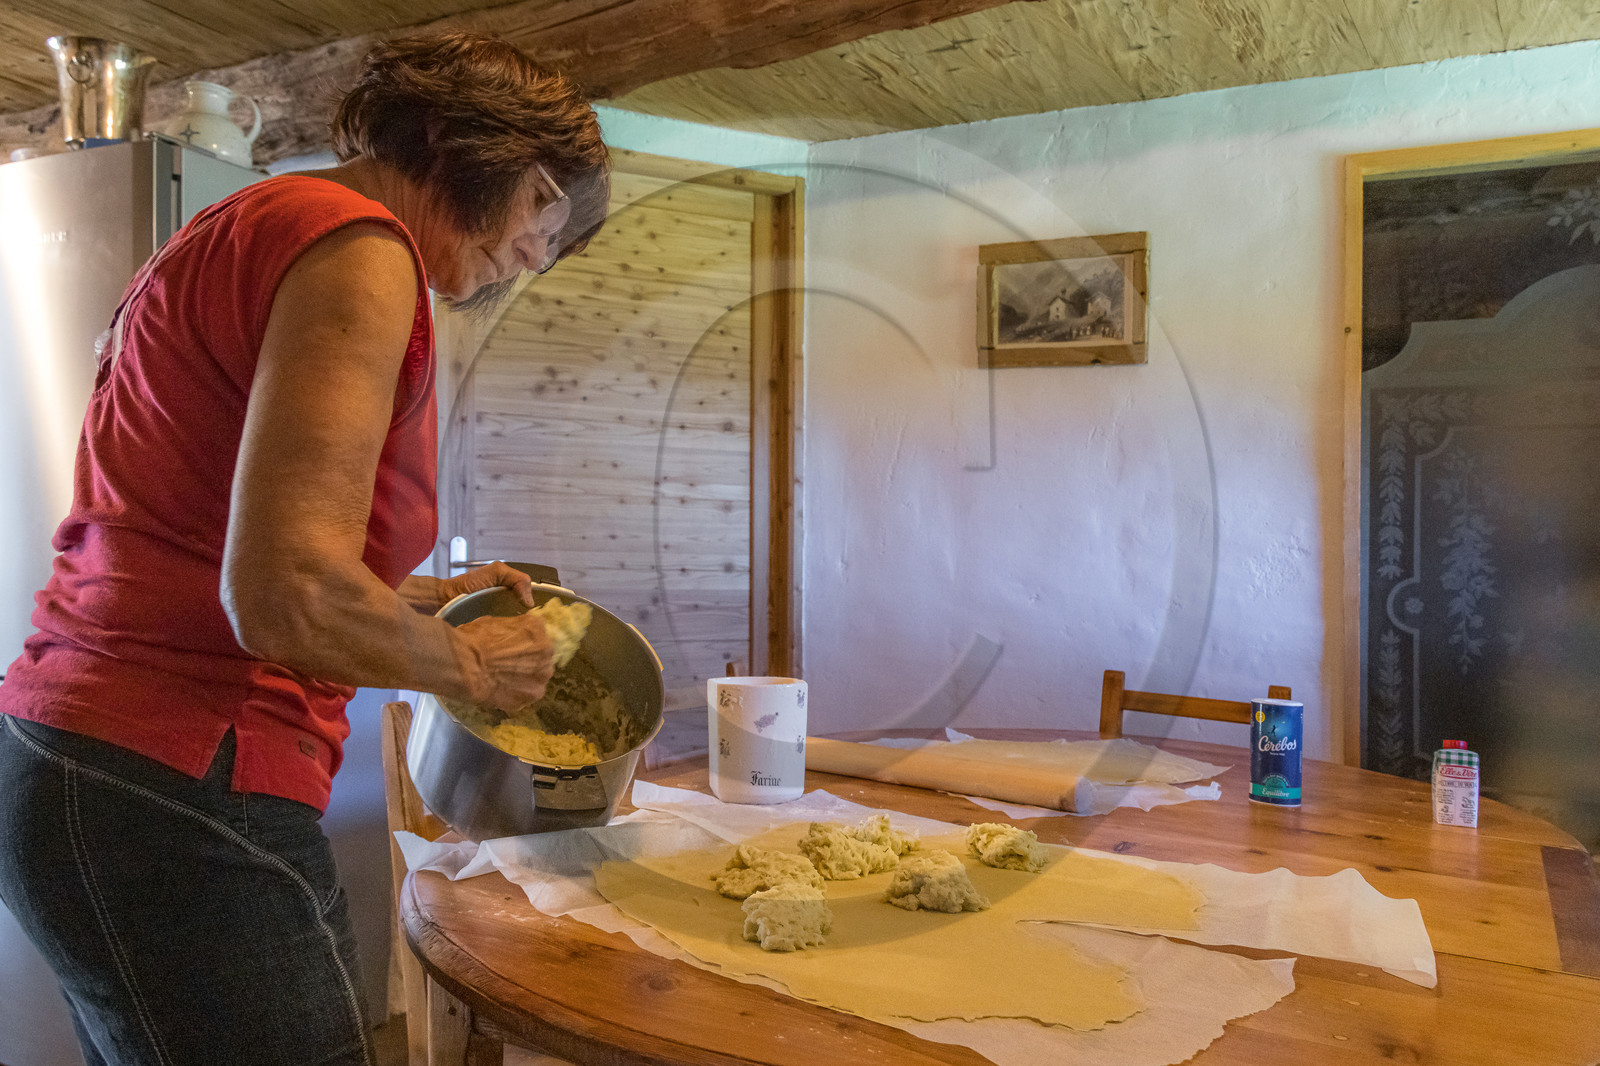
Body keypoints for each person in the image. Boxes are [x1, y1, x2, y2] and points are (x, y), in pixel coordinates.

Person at [0, 33, 609, 1066]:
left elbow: (219, 543)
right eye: (543, 218)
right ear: (494, 159)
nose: (532, 256)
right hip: (178, 773)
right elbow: (280, 594)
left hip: (88, 754)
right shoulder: (360, 250)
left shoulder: (248, 221)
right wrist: (476, 665)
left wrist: (434, 599)